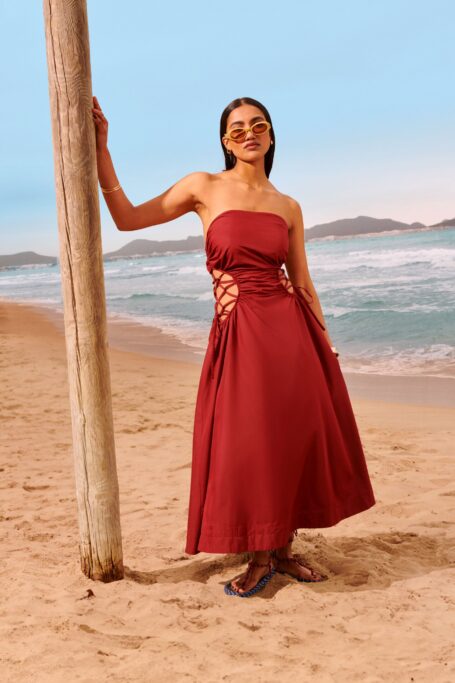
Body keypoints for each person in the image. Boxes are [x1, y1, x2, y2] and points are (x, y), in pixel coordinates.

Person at [92, 95, 376, 598]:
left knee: (288, 436)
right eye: (238, 127)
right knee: (251, 439)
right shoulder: (204, 186)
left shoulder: (288, 206)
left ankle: (282, 552)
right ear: (225, 140)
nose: (249, 133)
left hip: (291, 332)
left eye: (258, 125)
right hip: (239, 331)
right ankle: (259, 553)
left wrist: (326, 347)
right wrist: (102, 150)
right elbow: (128, 219)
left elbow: (303, 282)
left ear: (270, 136)